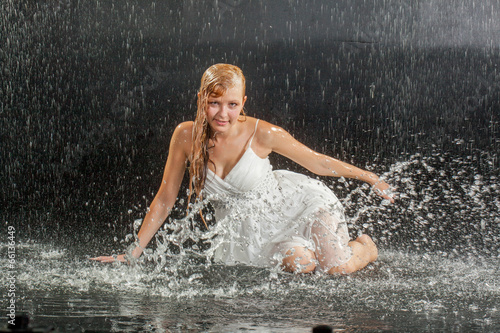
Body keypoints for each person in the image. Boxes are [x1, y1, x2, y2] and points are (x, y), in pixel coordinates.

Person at [92, 64, 394, 274]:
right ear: (200, 100)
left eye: (233, 104)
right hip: (249, 231)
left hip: (297, 206)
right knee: (304, 265)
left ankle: (364, 248)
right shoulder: (185, 136)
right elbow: (165, 199)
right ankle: (310, 250)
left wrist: (370, 177)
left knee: (336, 269)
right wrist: (132, 253)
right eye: (214, 103)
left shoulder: (263, 133)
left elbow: (316, 162)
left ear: (243, 102)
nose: (223, 113)